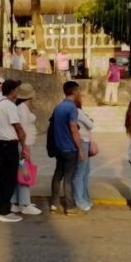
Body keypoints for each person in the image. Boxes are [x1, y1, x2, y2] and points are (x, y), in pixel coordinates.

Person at [0, 79, 26, 223]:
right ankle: (3, 211)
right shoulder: (10, 106)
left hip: (0, 145)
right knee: (9, 179)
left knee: (1, 178)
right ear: (12, 91)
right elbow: (18, 128)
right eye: (17, 89)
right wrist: (24, 147)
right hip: (9, 145)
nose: (18, 92)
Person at [49, 81, 84, 215]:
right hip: (69, 148)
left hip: (59, 147)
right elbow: (73, 129)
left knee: (58, 174)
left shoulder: (58, 107)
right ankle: (70, 206)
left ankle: (54, 203)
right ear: (75, 93)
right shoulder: (72, 108)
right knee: (68, 177)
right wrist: (80, 148)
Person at [11, 84, 42, 215]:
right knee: (25, 173)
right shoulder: (22, 109)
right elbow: (21, 130)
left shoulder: (21, 108)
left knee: (20, 173)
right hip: (24, 145)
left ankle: (16, 202)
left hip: (24, 145)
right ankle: (25, 203)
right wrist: (25, 148)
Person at [73, 97, 96, 212]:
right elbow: (91, 125)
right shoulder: (78, 111)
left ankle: (85, 197)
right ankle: (79, 200)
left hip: (85, 142)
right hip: (82, 142)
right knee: (80, 173)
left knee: (85, 172)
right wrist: (90, 120)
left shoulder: (78, 112)